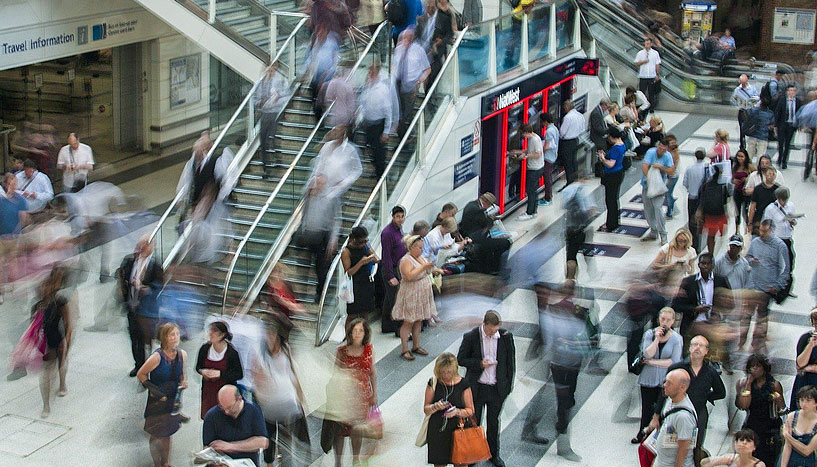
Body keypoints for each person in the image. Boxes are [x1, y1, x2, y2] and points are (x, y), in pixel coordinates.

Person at [456, 311, 515, 467]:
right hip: (477, 387)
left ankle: (493, 454)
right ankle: (473, 454)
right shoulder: (471, 337)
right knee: (474, 422)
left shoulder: (506, 337)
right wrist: (479, 363)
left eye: (495, 330)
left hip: (496, 388)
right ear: (484, 324)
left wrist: (507, 387)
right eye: (490, 330)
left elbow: (510, 364)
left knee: (493, 422)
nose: (492, 333)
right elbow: (461, 359)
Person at [542, 281, 591, 461]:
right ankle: (563, 443)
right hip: (561, 364)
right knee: (564, 402)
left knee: (567, 399)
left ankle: (558, 427)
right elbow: (552, 341)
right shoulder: (559, 312)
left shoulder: (573, 310)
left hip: (567, 363)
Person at [649, 336, 725, 451]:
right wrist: (656, 416)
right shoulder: (677, 368)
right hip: (676, 411)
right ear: (689, 348)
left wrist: (706, 396)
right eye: (695, 345)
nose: (697, 348)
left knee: (696, 447)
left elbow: (721, 392)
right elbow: (663, 393)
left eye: (701, 346)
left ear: (706, 351)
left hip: (698, 412)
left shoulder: (710, 372)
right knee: (672, 447)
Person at [252, 317, 310, 467]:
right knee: (269, 434)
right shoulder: (259, 353)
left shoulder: (285, 349)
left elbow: (292, 371)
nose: (269, 338)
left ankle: (285, 459)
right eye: (267, 335)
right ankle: (270, 462)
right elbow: (256, 377)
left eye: (272, 335)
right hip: (268, 404)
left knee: (289, 433)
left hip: (286, 400)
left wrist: (300, 394)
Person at [322, 318, 377, 467]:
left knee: (357, 430)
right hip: (343, 397)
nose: (357, 334)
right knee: (339, 431)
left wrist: (374, 394)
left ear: (365, 333)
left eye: (361, 331)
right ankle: (338, 462)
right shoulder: (342, 351)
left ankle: (355, 459)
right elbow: (335, 373)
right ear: (350, 333)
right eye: (355, 330)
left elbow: (372, 373)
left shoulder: (369, 350)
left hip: (361, 398)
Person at [137, 322, 187, 467]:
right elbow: (141, 374)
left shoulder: (182, 355)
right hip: (157, 402)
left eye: (177, 334)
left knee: (168, 433)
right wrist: (155, 391)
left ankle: (166, 462)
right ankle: (156, 463)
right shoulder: (157, 357)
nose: (176, 337)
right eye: (172, 334)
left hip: (172, 401)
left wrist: (183, 382)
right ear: (164, 337)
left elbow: (182, 375)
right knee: (156, 433)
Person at [633, 307, 683, 444]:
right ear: (658, 319)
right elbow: (647, 353)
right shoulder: (649, 334)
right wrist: (656, 339)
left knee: (660, 409)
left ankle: (657, 436)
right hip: (648, 378)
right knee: (646, 407)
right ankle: (642, 432)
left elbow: (674, 361)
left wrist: (652, 362)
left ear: (673, 321)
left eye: (668, 320)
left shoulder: (677, 339)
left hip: (665, 380)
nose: (664, 322)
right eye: (662, 319)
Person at [742, 219, 790, 352]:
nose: (761, 233)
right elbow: (747, 257)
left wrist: (777, 285)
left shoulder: (780, 246)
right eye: (760, 230)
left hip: (767, 289)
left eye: (765, 231)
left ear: (771, 230)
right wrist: (751, 260)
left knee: (761, 317)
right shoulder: (756, 242)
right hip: (752, 286)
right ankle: (741, 341)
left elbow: (786, 269)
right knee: (746, 315)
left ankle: (757, 344)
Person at [120, 237, 164, 377]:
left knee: (146, 339)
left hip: (146, 310)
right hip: (132, 306)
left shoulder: (155, 265)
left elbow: (160, 286)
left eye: (146, 244)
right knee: (134, 337)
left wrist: (147, 289)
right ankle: (138, 364)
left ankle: (148, 365)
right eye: (141, 244)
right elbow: (122, 277)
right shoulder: (131, 260)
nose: (143, 247)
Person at [391, 235, 439, 360]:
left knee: (418, 320)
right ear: (411, 248)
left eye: (422, 248)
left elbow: (426, 269)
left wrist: (434, 269)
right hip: (411, 292)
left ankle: (416, 346)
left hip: (422, 291)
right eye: (419, 248)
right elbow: (409, 276)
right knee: (409, 321)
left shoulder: (420, 257)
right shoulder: (405, 260)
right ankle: (404, 348)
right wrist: (424, 267)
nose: (421, 250)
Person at [423, 352, 475, 467]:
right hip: (438, 430)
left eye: (449, 372)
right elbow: (426, 409)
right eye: (442, 372)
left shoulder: (463, 384)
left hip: (458, 429)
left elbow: (470, 410)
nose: (445, 375)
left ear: (454, 370)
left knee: (461, 463)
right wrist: (435, 406)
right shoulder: (433, 383)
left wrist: (457, 412)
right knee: (439, 463)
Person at [736, 353, 786, 467]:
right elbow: (743, 405)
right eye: (751, 366)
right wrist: (748, 384)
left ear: (764, 368)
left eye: (757, 366)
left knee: (769, 458)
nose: (754, 369)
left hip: (770, 427)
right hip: (753, 424)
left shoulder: (774, 385)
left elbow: (782, 408)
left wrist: (777, 399)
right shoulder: (743, 384)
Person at [36, 266, 72, 419]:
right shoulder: (38, 305)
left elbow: (68, 323)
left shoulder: (60, 302)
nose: (45, 289)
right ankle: (46, 404)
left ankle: (62, 383)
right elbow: (34, 327)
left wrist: (67, 341)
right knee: (46, 372)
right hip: (45, 341)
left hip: (58, 337)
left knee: (61, 364)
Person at [203, 385, 269, 467]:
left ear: (239, 399)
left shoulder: (253, 410)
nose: (226, 412)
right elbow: (207, 447)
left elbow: (263, 442)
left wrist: (231, 446)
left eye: (229, 407)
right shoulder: (211, 415)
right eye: (222, 407)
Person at [671, 253, 731, 342]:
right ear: (698, 265)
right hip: (693, 325)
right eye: (703, 263)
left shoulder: (721, 281)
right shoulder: (688, 282)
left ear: (713, 265)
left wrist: (718, 314)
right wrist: (695, 309)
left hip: (714, 326)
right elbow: (676, 305)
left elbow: (730, 303)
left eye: (708, 264)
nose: (705, 266)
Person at [195, 321, 243, 420]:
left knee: (223, 419)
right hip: (208, 392)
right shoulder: (205, 349)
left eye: (214, 331)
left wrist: (220, 374)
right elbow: (198, 366)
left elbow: (239, 374)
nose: (210, 334)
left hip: (225, 394)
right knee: (209, 418)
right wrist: (203, 371)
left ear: (222, 335)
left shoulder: (231, 353)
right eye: (210, 331)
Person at [650, 369, 697, 467]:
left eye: (669, 383)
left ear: (682, 387)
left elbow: (684, 448)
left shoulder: (684, 417)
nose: (664, 385)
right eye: (665, 381)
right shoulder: (670, 400)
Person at [393, 29, 431, 138]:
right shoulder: (398, 49)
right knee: (399, 112)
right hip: (398, 84)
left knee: (407, 114)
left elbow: (427, 69)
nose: (405, 41)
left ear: (412, 39)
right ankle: (404, 136)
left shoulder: (418, 50)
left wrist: (419, 81)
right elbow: (395, 66)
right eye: (404, 38)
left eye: (408, 38)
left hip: (411, 85)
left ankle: (406, 137)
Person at [254, 62, 289, 177]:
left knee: (272, 138)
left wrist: (276, 101)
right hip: (264, 114)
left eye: (272, 69)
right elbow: (254, 98)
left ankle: (277, 159)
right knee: (263, 141)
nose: (269, 71)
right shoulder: (261, 83)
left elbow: (285, 95)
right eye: (268, 69)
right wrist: (259, 103)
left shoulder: (279, 80)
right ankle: (266, 168)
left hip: (274, 113)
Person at [359, 63, 393, 179]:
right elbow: (363, 102)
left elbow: (388, 111)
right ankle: (376, 170)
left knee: (379, 152)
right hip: (368, 123)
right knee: (370, 149)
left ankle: (381, 175)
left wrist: (386, 131)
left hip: (379, 124)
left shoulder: (382, 89)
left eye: (371, 73)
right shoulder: (367, 87)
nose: (369, 75)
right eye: (369, 73)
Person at [561, 172, 597, 281]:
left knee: (571, 254)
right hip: (583, 228)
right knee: (587, 252)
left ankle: (571, 277)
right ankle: (592, 274)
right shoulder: (583, 190)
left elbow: (563, 207)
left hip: (570, 228)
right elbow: (591, 209)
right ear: (581, 179)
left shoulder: (566, 190)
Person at [341, 226, 379, 328]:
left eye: (365, 240)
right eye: (361, 241)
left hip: (366, 282)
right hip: (354, 285)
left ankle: (364, 338)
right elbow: (349, 272)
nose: (363, 243)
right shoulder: (346, 251)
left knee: (365, 313)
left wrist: (369, 248)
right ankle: (349, 339)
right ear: (354, 239)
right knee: (352, 314)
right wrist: (361, 263)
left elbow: (376, 259)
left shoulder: (365, 246)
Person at [761, 186, 796, 294]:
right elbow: (765, 223)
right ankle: (773, 287)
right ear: (778, 198)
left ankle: (786, 289)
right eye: (782, 200)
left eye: (786, 200)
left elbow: (794, 220)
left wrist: (793, 222)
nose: (784, 202)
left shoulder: (791, 206)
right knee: (776, 264)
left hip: (787, 238)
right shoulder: (771, 209)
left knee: (789, 262)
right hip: (776, 239)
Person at [641, 138, 675, 245]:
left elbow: (671, 171)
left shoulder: (667, 156)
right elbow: (645, 166)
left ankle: (663, 234)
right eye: (660, 148)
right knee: (648, 209)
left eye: (664, 149)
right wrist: (649, 179)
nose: (662, 150)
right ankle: (653, 230)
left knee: (658, 209)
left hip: (659, 187)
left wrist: (661, 167)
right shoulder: (651, 152)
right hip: (647, 186)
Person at [380, 205, 407, 334]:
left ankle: (386, 325)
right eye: (397, 217)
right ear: (393, 217)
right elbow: (387, 256)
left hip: (398, 266)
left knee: (389, 297)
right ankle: (398, 329)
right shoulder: (387, 233)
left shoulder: (398, 230)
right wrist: (391, 275)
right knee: (395, 299)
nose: (400, 219)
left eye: (402, 217)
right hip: (391, 268)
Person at [697, 164, 730, 254]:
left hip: (709, 215)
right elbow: (727, 200)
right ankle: (719, 253)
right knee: (722, 236)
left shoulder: (706, 185)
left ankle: (711, 254)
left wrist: (700, 212)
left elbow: (701, 200)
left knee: (711, 236)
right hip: (720, 214)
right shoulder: (724, 185)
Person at [598, 126, 626, 231]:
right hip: (619, 173)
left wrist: (602, 159)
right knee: (614, 199)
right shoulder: (622, 145)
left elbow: (610, 164)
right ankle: (614, 220)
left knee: (610, 200)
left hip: (612, 176)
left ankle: (611, 223)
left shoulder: (616, 148)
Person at [781, 386, 817, 467]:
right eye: (801, 400)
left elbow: (807, 451)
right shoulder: (791, 416)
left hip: (808, 462)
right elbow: (787, 446)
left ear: (815, 403)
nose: (804, 404)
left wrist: (787, 436)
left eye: (808, 401)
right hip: (791, 460)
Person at [515, 123, 545, 220]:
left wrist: (526, 156)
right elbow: (531, 150)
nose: (523, 136)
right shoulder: (535, 137)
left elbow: (538, 154)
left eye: (523, 134)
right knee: (533, 191)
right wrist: (520, 152)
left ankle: (530, 213)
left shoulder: (534, 140)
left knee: (531, 191)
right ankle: (533, 211)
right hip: (538, 167)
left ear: (526, 132)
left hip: (534, 169)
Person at [790, 310, 817, 411]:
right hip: (805, 380)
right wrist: (810, 346)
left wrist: (811, 368)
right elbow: (800, 365)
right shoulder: (805, 338)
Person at [684, 147, 709, 253]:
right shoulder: (707, 168)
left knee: (692, 221)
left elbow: (685, 183)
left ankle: (695, 243)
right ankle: (699, 241)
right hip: (703, 198)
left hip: (692, 197)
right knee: (701, 220)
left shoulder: (690, 168)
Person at [701, 429, 767, 467]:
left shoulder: (759, 465)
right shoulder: (731, 458)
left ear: (754, 447)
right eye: (741, 440)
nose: (744, 443)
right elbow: (704, 463)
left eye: (748, 441)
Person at [774, 84, 802, 170]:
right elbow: (777, 112)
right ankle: (780, 158)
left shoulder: (798, 101)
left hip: (791, 126)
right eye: (790, 90)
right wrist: (775, 125)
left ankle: (784, 161)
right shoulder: (782, 100)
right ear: (787, 92)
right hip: (782, 124)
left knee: (787, 144)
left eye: (793, 91)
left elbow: (799, 114)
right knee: (781, 143)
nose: (791, 92)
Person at [559, 99, 585, 185]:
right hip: (576, 140)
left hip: (567, 142)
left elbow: (562, 132)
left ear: (567, 107)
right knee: (574, 161)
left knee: (568, 163)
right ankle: (575, 179)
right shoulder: (580, 115)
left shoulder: (568, 117)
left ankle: (570, 181)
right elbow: (582, 128)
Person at [747, 168, 780, 236]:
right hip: (759, 218)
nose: (770, 176)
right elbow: (753, 206)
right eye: (769, 174)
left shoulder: (778, 189)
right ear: (765, 175)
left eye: (773, 174)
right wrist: (750, 222)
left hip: (773, 220)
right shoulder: (758, 189)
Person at [731, 75, 760, 149]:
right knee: (742, 128)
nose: (743, 84)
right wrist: (736, 101)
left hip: (750, 110)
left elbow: (757, 98)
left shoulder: (752, 89)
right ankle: (742, 144)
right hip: (742, 111)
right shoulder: (737, 89)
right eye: (741, 82)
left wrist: (753, 101)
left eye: (744, 82)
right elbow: (733, 100)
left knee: (752, 128)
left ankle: (754, 144)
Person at [634, 38, 661, 113]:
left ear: (651, 44)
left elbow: (657, 64)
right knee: (641, 93)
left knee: (651, 93)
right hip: (643, 76)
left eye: (648, 44)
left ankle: (651, 108)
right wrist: (643, 62)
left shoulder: (655, 53)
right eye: (646, 44)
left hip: (651, 76)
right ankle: (642, 108)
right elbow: (636, 63)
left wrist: (657, 74)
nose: (647, 45)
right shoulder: (640, 53)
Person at [732, 149, 755, 234]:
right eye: (738, 156)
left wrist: (747, 179)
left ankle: (747, 230)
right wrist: (734, 181)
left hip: (746, 193)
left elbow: (755, 176)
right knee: (737, 212)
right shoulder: (735, 167)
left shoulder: (749, 167)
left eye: (742, 156)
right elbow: (731, 178)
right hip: (737, 191)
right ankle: (736, 230)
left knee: (746, 212)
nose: (740, 158)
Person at [540, 112, 559, 206]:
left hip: (548, 157)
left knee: (547, 177)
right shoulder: (554, 128)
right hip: (553, 156)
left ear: (545, 122)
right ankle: (548, 196)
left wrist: (539, 151)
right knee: (548, 177)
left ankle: (548, 198)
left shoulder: (549, 131)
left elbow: (547, 146)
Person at [664, 136, 681, 219]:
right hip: (669, 174)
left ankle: (670, 212)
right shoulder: (668, 151)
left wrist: (670, 173)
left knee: (668, 193)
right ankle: (674, 208)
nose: (673, 144)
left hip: (673, 175)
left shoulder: (675, 152)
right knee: (667, 193)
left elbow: (674, 164)